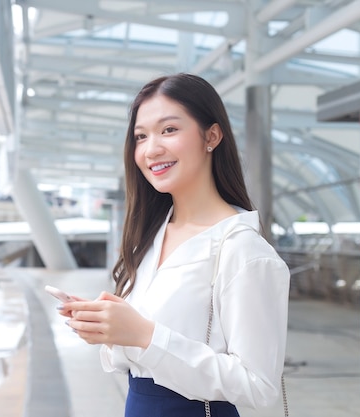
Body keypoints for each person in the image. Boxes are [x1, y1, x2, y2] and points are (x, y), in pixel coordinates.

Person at [58, 73, 290, 416]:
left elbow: (258, 386)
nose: (151, 149)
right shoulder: (150, 237)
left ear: (211, 136)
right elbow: (140, 359)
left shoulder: (243, 251)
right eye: (141, 136)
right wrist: (109, 328)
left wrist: (144, 335)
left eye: (169, 130)